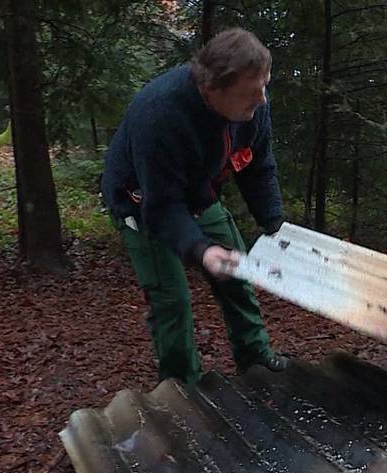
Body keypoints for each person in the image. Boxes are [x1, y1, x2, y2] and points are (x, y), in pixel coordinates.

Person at [100, 27, 289, 388]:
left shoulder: (252, 108)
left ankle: (254, 357)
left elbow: (257, 166)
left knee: (237, 273)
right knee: (172, 300)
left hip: (200, 196)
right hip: (142, 203)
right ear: (213, 89)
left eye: (264, 85)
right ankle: (180, 385)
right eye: (252, 92)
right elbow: (163, 208)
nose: (262, 99)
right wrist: (202, 251)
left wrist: (274, 223)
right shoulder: (160, 114)